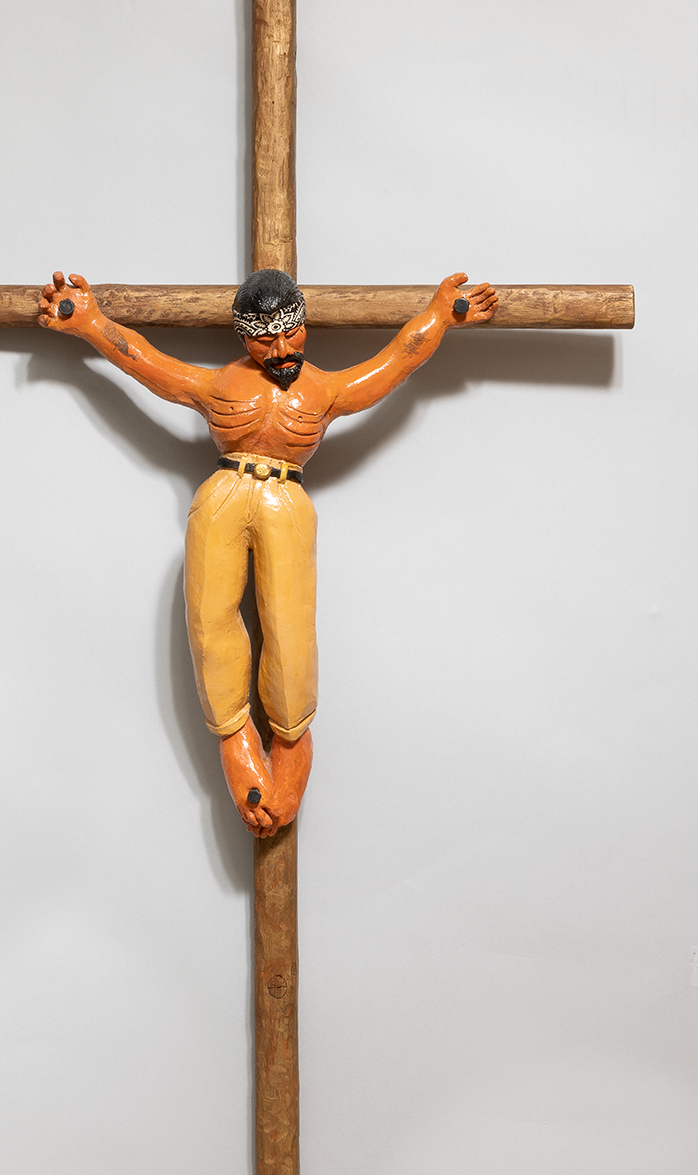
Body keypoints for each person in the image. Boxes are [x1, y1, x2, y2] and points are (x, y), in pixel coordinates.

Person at [38, 267, 497, 836]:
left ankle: (291, 740)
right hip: (223, 492)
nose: (280, 350)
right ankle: (235, 740)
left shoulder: (323, 391)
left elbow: (396, 360)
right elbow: (147, 362)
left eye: (290, 332)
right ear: (243, 336)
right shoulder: (219, 386)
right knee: (210, 618)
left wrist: (440, 316)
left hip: (286, 499)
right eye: (264, 338)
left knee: (289, 623)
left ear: (304, 324)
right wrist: (90, 322)